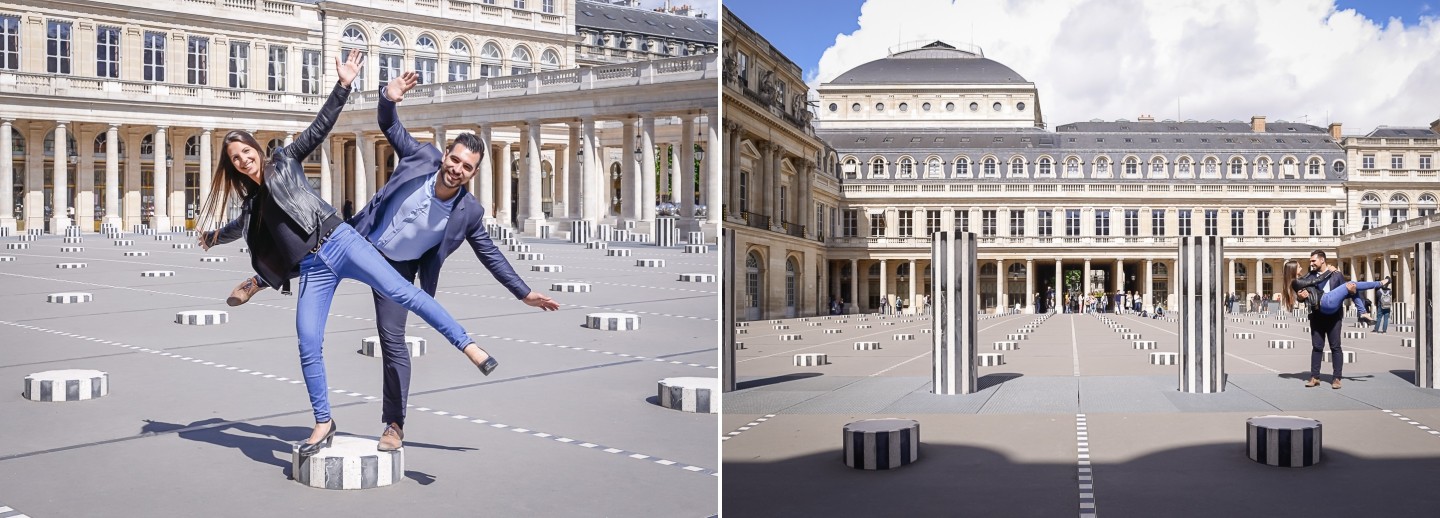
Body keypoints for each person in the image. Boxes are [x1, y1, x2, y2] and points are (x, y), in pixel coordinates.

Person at [195, 52, 499, 457]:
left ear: (256, 149)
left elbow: (319, 129)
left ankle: (468, 346)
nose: (244, 159)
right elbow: (240, 229)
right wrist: (214, 236)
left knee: (403, 292)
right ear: (233, 167)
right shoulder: (252, 203)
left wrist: (343, 85)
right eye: (236, 159)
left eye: (247, 152)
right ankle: (324, 421)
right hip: (312, 267)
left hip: (341, 241)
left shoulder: (284, 160)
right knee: (307, 340)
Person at [1280, 251, 1355, 389]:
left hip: (1334, 315)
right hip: (1317, 315)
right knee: (1317, 347)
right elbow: (1304, 295)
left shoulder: (1337, 275)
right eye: (1310, 261)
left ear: (1322, 260)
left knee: (1336, 346)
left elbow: (1345, 292)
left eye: (1313, 261)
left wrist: (1351, 292)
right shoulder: (1310, 276)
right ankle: (1315, 377)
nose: (1311, 264)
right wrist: (1301, 297)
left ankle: (1337, 378)